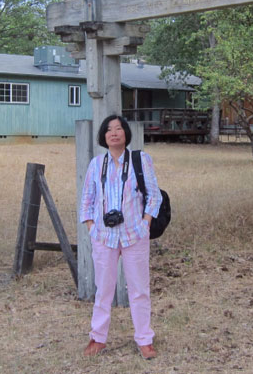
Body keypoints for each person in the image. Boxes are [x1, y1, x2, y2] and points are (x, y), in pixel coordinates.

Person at [80, 114, 163, 360]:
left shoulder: (141, 160)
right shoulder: (96, 164)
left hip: (134, 235)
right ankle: (98, 338)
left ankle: (145, 339)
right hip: (103, 237)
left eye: (118, 128)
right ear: (103, 136)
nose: (114, 132)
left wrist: (145, 224)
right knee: (103, 289)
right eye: (109, 129)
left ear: (126, 133)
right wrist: (91, 227)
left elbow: (154, 195)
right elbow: (87, 199)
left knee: (139, 289)